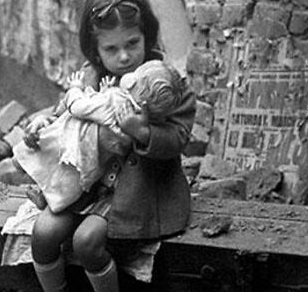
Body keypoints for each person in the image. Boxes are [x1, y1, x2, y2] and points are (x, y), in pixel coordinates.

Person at [22, 0, 196, 292]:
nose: (123, 57)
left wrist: (144, 132)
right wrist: (41, 125)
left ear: (146, 35)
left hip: (137, 189)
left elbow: (180, 136)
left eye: (132, 43)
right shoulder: (90, 76)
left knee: (87, 242)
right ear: (95, 49)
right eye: (111, 49)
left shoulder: (165, 80)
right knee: (43, 233)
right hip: (86, 182)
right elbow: (66, 110)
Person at [13, 58, 187, 213]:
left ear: (134, 84)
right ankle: (45, 197)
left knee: (31, 161)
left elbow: (78, 107)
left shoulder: (114, 102)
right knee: (65, 184)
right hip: (94, 165)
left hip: (74, 147)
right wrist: (106, 91)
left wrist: (75, 88)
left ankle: (36, 185)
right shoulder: (139, 118)